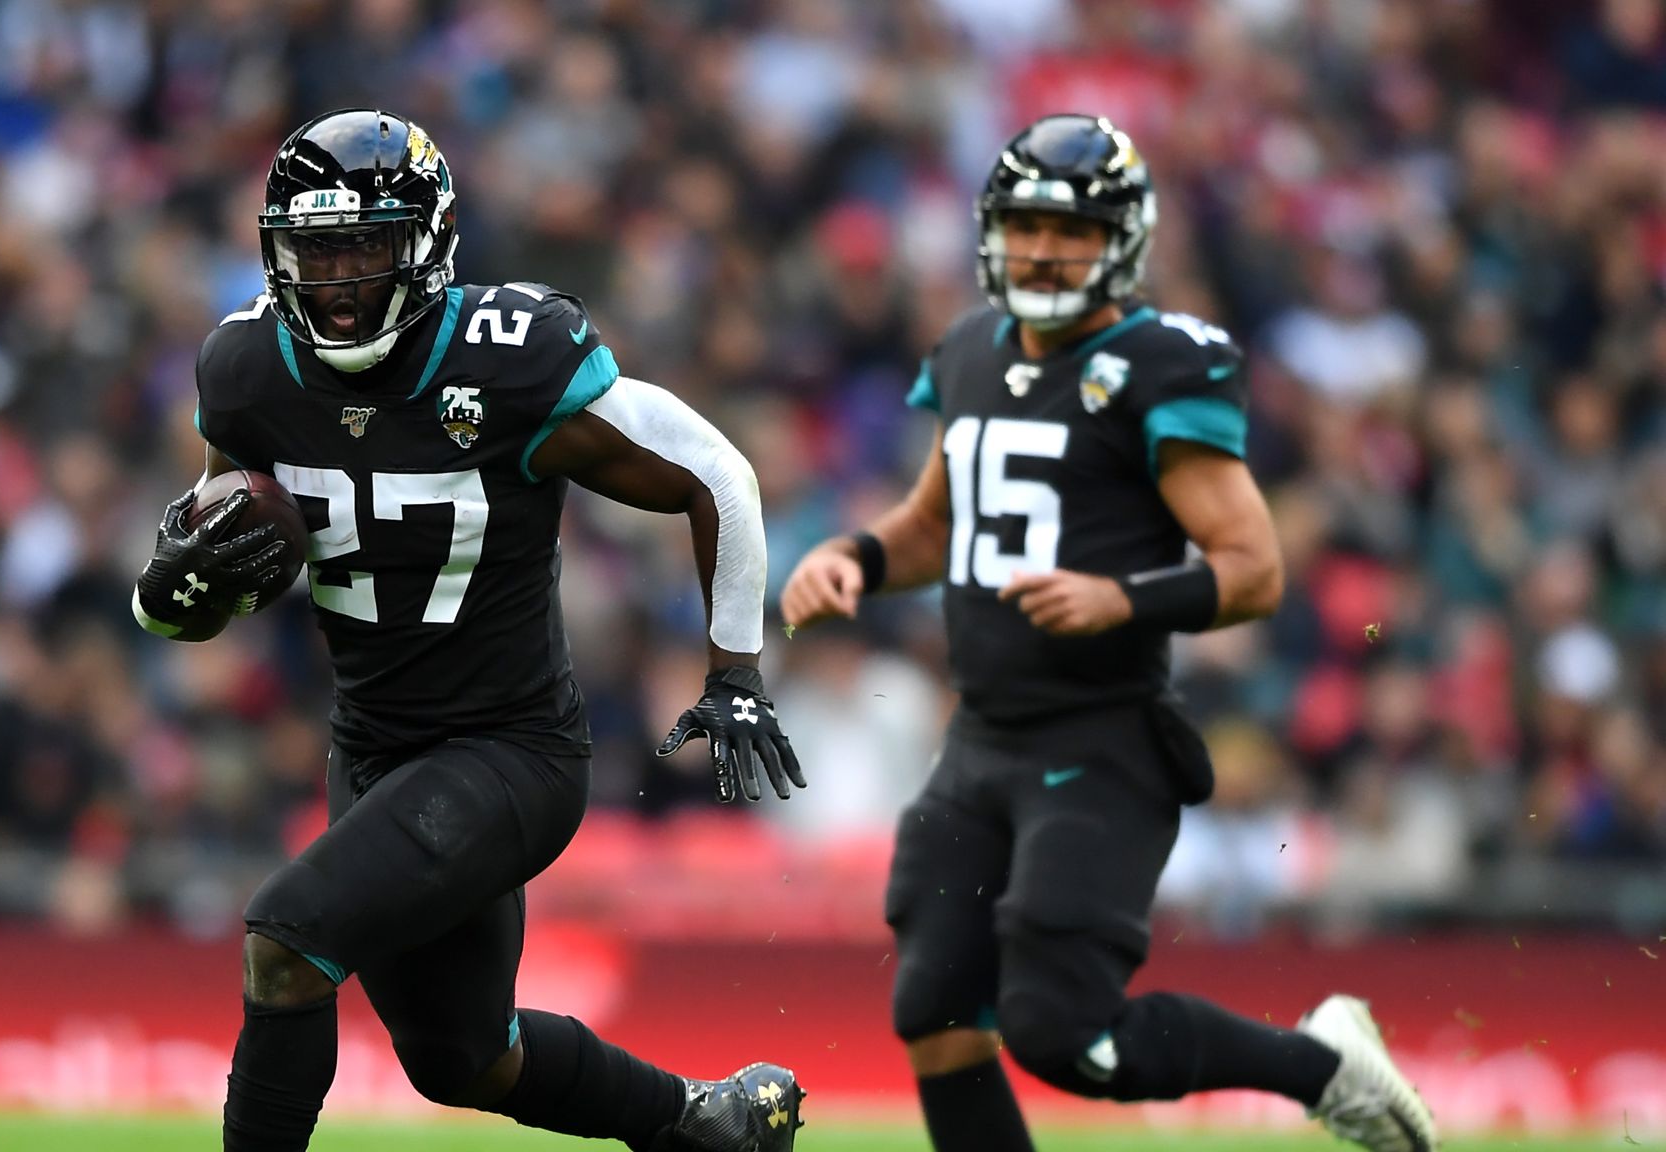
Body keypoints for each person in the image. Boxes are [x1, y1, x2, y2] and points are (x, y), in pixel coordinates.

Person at [130, 108, 808, 1152]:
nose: (338, 279)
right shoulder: (248, 369)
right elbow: (221, 557)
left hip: (510, 753)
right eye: (315, 251)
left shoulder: (508, 360)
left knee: (286, 939)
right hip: (374, 749)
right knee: (462, 1059)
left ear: (427, 245)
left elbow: (714, 469)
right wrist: (168, 591)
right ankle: (695, 1122)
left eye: (362, 246)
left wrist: (735, 665)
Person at [780, 114, 1439, 1152]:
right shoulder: (967, 350)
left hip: (1098, 741)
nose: (1044, 250)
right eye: (1027, 225)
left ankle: (1319, 1065)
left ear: (1121, 241)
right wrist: (853, 560)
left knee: (1062, 1034)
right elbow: (934, 525)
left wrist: (1120, 599)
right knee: (933, 1014)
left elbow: (1253, 570)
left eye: (1072, 231)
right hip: (980, 740)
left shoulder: (1156, 366)